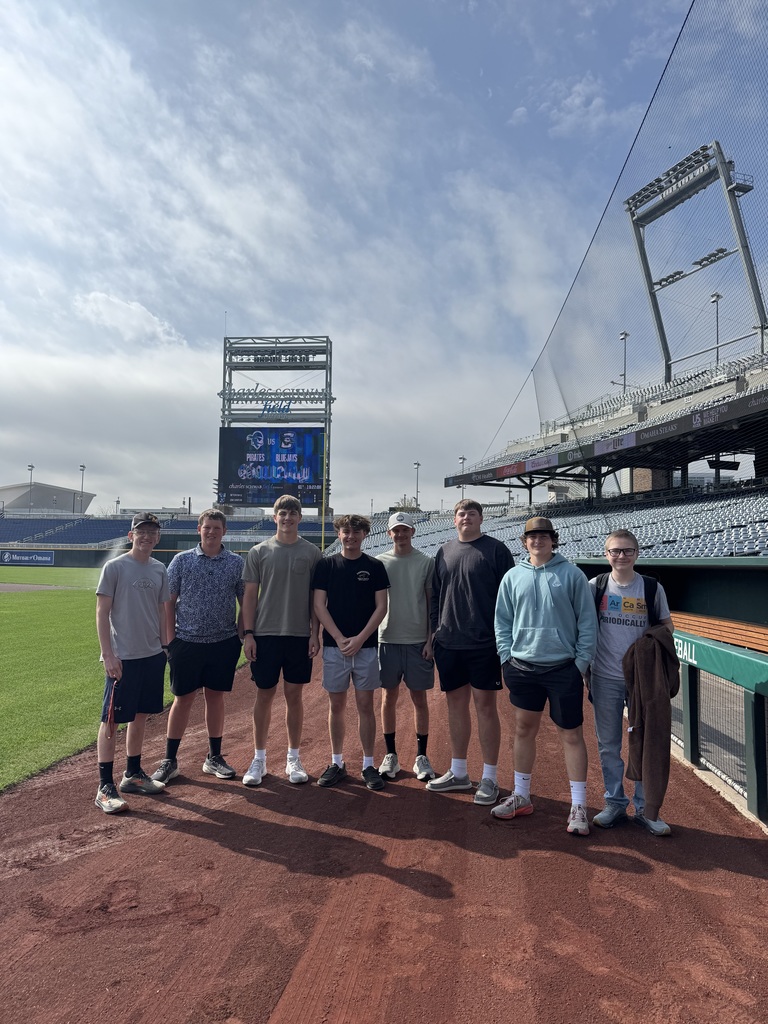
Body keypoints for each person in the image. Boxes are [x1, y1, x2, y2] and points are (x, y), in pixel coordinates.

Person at [492, 516, 597, 834]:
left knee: (571, 734)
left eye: (543, 535)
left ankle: (578, 805)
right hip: (522, 667)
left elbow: (587, 624)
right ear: (524, 542)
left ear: (554, 540)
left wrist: (579, 665)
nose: (537, 540)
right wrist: (506, 658)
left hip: (562, 667)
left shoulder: (572, 574)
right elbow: (502, 622)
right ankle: (521, 795)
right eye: (531, 536)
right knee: (523, 730)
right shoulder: (512, 577)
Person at [426, 499, 515, 805]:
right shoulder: (444, 551)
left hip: (484, 643)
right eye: (461, 513)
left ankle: (489, 776)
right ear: (454, 520)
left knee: (486, 708)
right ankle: (459, 772)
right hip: (450, 642)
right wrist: (437, 629)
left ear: (480, 519)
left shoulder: (495, 550)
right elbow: (436, 595)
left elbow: (509, 595)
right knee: (455, 707)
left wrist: (504, 639)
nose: (466, 517)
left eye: (472, 513)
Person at [588, 529, 675, 836]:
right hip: (604, 677)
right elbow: (583, 627)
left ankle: (644, 807)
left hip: (642, 681)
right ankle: (614, 802)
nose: (621, 556)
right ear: (606, 554)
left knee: (645, 741)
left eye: (627, 551)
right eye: (615, 551)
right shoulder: (595, 587)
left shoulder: (651, 588)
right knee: (608, 745)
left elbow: (667, 626)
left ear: (636, 554)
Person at [151, 509, 244, 785]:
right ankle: (170, 760)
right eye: (207, 527)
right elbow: (168, 601)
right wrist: (169, 639)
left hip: (222, 642)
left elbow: (247, 600)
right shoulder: (182, 560)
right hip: (186, 641)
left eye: (217, 527)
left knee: (216, 698)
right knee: (183, 699)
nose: (211, 532)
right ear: (198, 529)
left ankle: (213, 757)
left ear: (224, 531)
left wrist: (240, 633)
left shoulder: (236, 563)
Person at [240, 494, 322, 787]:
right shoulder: (259, 551)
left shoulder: (312, 553)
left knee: (294, 697)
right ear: (274, 517)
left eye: (292, 513)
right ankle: (259, 758)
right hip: (265, 634)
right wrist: (248, 634)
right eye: (282, 513)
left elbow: (316, 600)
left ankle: (293, 757)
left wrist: (315, 633)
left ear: (300, 517)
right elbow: (249, 597)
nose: (287, 518)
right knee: (264, 695)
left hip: (299, 635)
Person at [94, 512, 170, 813]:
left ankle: (133, 774)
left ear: (157, 537)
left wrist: (164, 646)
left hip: (152, 654)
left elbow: (163, 610)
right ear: (131, 536)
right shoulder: (115, 567)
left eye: (153, 533)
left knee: (140, 716)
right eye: (142, 532)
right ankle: (104, 787)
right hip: (122, 657)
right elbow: (101, 613)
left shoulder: (159, 569)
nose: (147, 537)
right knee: (112, 720)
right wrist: (108, 654)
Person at [312, 514, 389, 790]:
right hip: (336, 647)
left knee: (366, 706)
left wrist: (360, 639)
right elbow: (319, 605)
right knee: (336, 706)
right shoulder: (326, 565)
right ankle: (337, 762)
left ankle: (369, 764)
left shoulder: (375, 566)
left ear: (365, 534)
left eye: (356, 532)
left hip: (366, 648)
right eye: (346, 531)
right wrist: (340, 637)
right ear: (339, 534)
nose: (351, 536)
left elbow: (381, 607)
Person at [376, 511, 436, 781]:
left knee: (419, 699)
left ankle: (421, 756)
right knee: (388, 698)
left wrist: (429, 640)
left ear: (413, 531)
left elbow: (430, 603)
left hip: (416, 641)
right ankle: (391, 755)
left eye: (404, 529)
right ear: (389, 534)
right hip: (387, 638)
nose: (400, 534)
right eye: (395, 530)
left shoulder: (426, 562)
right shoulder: (380, 562)